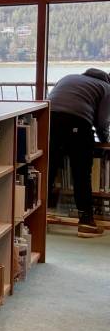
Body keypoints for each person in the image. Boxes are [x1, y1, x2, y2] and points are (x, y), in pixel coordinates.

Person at [47, 68, 110, 237]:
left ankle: (37, 216)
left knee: (48, 169)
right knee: (81, 173)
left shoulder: (68, 76)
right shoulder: (105, 86)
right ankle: (86, 223)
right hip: (77, 122)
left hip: (48, 119)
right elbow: (102, 121)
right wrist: (104, 140)